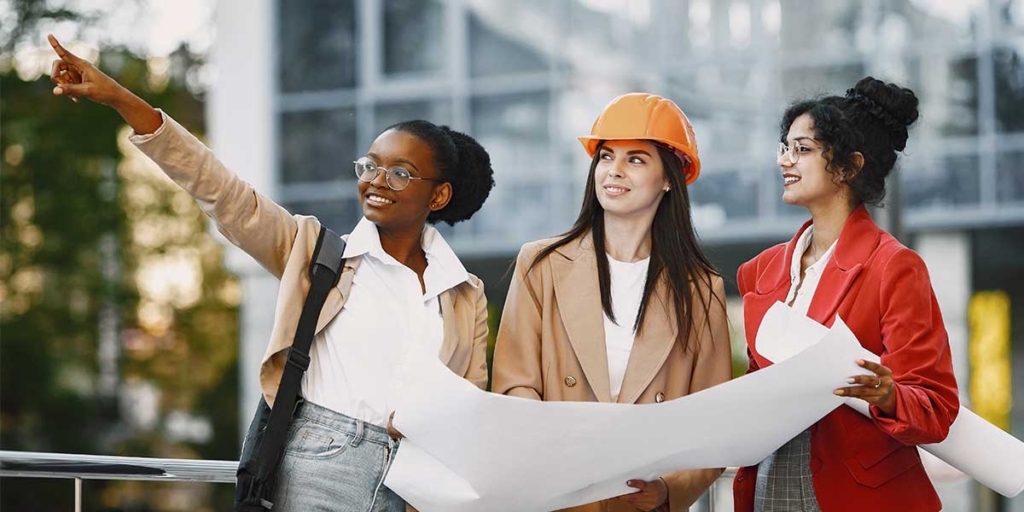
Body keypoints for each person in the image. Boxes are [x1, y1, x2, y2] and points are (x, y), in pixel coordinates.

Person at [47, 34, 495, 511]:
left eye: (401, 173)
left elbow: (468, 411)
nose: (377, 181)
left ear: (439, 196)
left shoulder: (464, 294)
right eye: (370, 165)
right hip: (320, 465)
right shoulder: (315, 251)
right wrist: (120, 98)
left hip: (415, 483)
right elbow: (219, 189)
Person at [491, 93, 732, 512]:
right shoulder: (541, 265)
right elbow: (514, 384)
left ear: (669, 178)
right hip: (554, 495)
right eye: (605, 156)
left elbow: (712, 422)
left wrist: (669, 490)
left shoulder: (700, 290)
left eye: (636, 159)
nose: (614, 171)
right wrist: (556, 451)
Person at [732, 77, 959, 511]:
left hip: (854, 490)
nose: (784, 160)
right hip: (769, 478)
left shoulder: (894, 266)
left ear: (849, 167)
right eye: (784, 146)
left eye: (802, 149)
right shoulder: (761, 271)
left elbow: (936, 405)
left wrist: (888, 395)